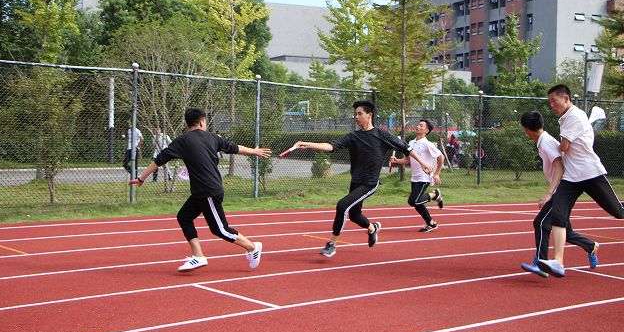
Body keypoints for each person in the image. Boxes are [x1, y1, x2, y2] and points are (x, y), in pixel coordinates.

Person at [129, 107, 271, 272]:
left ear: (188, 123)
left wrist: (141, 178)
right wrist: (254, 151)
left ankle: (252, 247)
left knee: (220, 229)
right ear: (202, 122)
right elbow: (234, 147)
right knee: (184, 217)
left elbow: (159, 160)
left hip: (208, 191)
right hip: (202, 192)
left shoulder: (182, 141)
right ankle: (198, 256)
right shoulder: (213, 137)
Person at [294, 100, 433, 258]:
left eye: (359, 114)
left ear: (369, 115)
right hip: (356, 181)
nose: (356, 117)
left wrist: (423, 163)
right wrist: (307, 144)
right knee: (354, 215)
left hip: (370, 183)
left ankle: (331, 244)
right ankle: (372, 228)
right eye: (355, 114)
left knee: (342, 205)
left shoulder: (382, 135)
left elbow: (407, 148)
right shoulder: (353, 137)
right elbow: (331, 147)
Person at [538, 85, 624, 277]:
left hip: (590, 173)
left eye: (554, 101)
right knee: (559, 216)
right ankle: (558, 262)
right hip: (571, 177)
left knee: (618, 212)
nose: (551, 105)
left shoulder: (575, 117)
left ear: (566, 98)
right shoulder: (566, 118)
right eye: (549, 101)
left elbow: (564, 147)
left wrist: (554, 145)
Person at [518, 111, 597, 278]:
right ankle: (590, 246)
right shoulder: (544, 140)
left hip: (562, 190)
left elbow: (559, 167)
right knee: (564, 230)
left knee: (540, 223)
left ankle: (541, 262)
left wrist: (549, 193)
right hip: (563, 189)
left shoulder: (545, 142)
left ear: (526, 129)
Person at [390, 119, 444, 232]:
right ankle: (431, 223)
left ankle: (435, 195)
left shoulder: (427, 144)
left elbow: (441, 157)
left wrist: (437, 174)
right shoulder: (411, 143)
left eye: (421, 126)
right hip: (414, 177)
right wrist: (396, 160)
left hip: (424, 177)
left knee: (413, 201)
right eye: (418, 125)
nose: (418, 127)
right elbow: (406, 160)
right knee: (418, 203)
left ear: (426, 130)